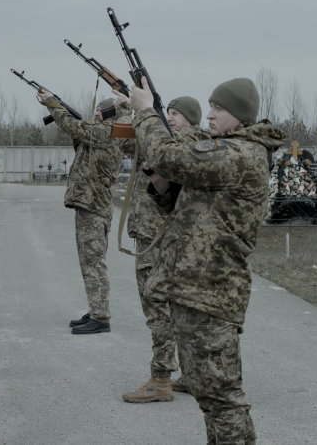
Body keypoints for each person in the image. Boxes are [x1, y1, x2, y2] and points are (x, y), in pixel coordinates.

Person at [120, 77, 285, 444]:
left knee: (223, 400)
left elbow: (166, 154)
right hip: (195, 290)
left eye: (218, 109)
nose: (208, 115)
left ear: (239, 116)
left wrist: (146, 111)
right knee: (210, 399)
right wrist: (163, 187)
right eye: (209, 107)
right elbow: (193, 208)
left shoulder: (240, 154)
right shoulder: (230, 150)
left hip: (211, 294)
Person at [117, 96, 211, 403]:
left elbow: (152, 144)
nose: (169, 118)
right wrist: (131, 111)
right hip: (164, 238)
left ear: (191, 120)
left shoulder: (180, 142)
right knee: (179, 311)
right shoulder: (179, 144)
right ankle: (193, 375)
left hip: (157, 239)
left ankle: (160, 379)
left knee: (157, 310)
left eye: (176, 114)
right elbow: (126, 146)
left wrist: (143, 114)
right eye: (166, 113)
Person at [38, 91, 131, 334]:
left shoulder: (108, 133)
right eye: (96, 111)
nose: (97, 114)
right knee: (89, 262)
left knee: (94, 263)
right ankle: (96, 310)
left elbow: (71, 125)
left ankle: (101, 318)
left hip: (94, 206)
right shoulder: (102, 133)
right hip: (89, 205)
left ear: (111, 114)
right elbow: (79, 137)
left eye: (102, 111)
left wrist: (52, 104)